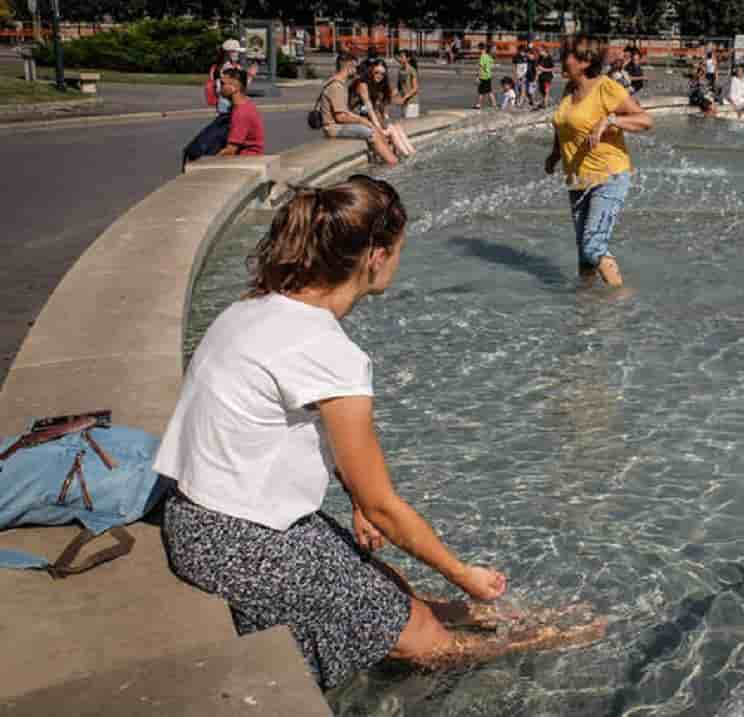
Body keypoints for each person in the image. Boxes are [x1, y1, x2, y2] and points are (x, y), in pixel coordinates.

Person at [156, 175, 605, 691]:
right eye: (398, 250)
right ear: (374, 256)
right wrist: (463, 573)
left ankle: (446, 612)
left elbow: (300, 436)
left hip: (196, 520)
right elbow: (386, 508)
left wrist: (356, 499)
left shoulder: (253, 308)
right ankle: (543, 639)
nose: (398, 262)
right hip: (241, 546)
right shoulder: (329, 352)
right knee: (425, 642)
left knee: (387, 583)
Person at [545, 36, 654, 290]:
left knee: (593, 245)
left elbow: (646, 120)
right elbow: (563, 125)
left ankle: (621, 300)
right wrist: (554, 154)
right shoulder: (569, 90)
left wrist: (611, 121)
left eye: (566, 55)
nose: (561, 60)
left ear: (584, 61)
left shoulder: (606, 87)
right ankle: (586, 306)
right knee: (584, 254)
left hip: (608, 176)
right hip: (577, 178)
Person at [318, 53, 398, 167]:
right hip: (333, 128)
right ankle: (392, 163)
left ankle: (386, 160)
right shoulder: (337, 86)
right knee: (372, 133)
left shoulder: (338, 83)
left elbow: (345, 112)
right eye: (355, 67)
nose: (356, 70)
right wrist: (362, 121)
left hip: (335, 126)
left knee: (372, 128)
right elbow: (341, 116)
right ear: (348, 66)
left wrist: (363, 121)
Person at [351, 57, 415, 158]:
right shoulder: (363, 84)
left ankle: (412, 154)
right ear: (371, 70)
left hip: (371, 116)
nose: (379, 76)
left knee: (397, 127)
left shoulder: (379, 86)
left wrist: (387, 121)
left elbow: (383, 110)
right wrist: (380, 128)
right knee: (391, 130)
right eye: (376, 72)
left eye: (382, 74)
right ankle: (407, 156)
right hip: (358, 118)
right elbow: (369, 108)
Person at [216, 68, 264, 156]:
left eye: (222, 84)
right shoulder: (243, 105)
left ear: (235, 87)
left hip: (245, 159)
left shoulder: (241, 113)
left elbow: (230, 151)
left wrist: (205, 161)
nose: (218, 87)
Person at [396, 50, 420, 118]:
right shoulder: (400, 70)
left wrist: (404, 98)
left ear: (408, 59)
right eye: (399, 57)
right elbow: (399, 87)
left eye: (401, 57)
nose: (399, 58)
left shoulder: (412, 70)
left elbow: (415, 88)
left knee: (411, 124)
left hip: (412, 103)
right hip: (404, 103)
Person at [474, 43, 496, 109]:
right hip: (488, 76)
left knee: (481, 92)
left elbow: (480, 67)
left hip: (483, 76)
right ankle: (494, 104)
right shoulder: (489, 57)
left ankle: (479, 104)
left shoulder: (482, 56)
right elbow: (492, 64)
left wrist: (477, 77)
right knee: (489, 91)